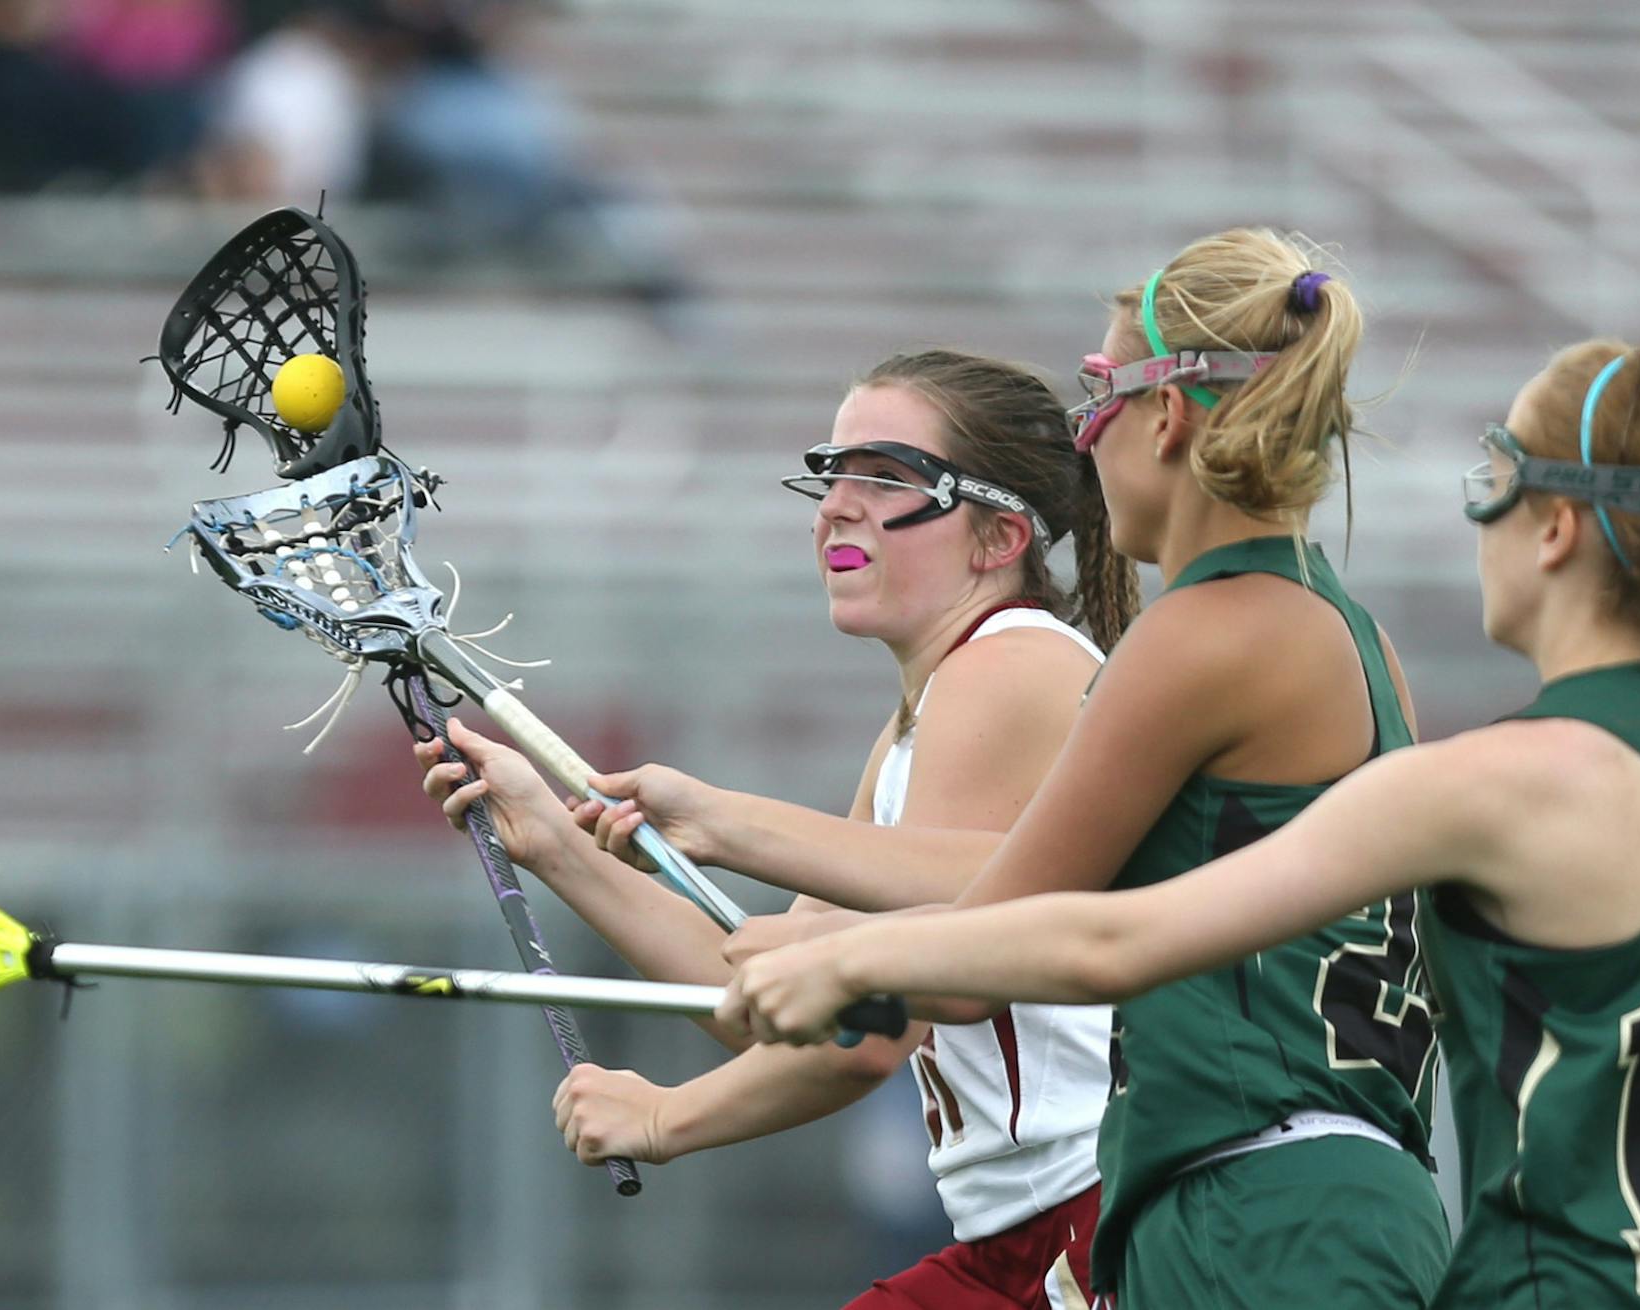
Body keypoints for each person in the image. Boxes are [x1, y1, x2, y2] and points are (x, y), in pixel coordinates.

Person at [725, 311, 1640, 1306]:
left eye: (1489, 478)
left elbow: (1110, 938)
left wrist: (855, 957)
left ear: (1553, 529)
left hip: (1480, 1264)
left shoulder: (1487, 779)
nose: (1478, 517)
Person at [708, 228, 1449, 1308]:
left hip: (1251, 1207)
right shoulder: (1345, 628)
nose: (1081, 438)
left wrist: (830, 938)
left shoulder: (1199, 636)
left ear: (1168, 413)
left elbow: (990, 950)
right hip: (1330, 1195)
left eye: (1097, 393)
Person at [418, 348, 1139, 1308]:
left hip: (1090, 1227)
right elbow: (782, 1003)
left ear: (999, 535)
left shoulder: (1005, 666)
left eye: (884, 478)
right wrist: (551, 841)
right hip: (1022, 1237)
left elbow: (879, 1032)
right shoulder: (915, 726)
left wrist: (666, 1117)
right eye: (832, 473)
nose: (835, 506)